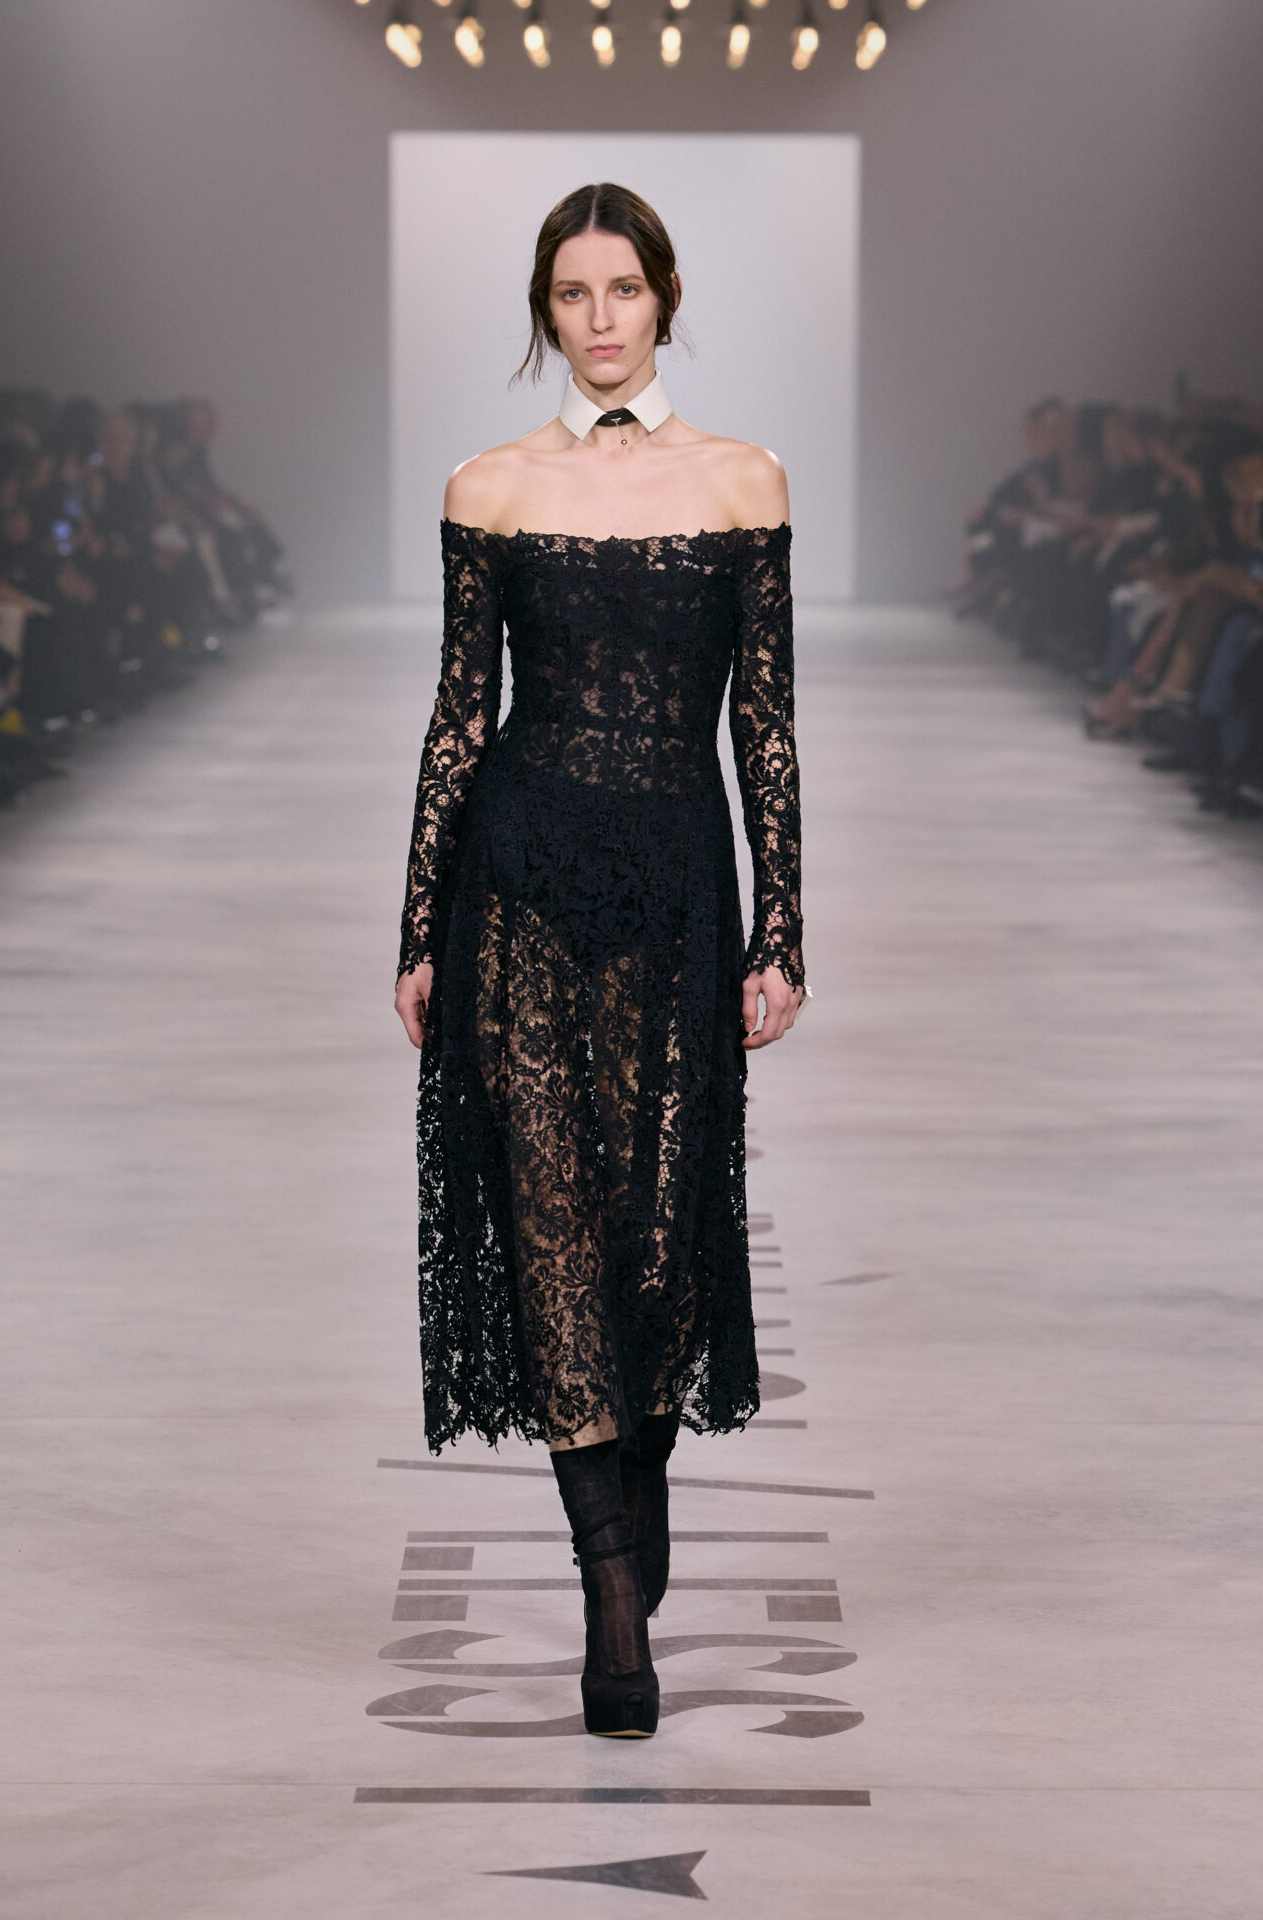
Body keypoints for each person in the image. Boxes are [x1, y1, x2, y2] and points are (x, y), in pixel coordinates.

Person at [392, 183, 809, 1740]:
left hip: (678, 889)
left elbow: (765, 725)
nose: (601, 319)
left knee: (656, 1235)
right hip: (520, 882)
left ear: (664, 297)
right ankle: (612, 1598)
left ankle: (639, 1472)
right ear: (544, 313)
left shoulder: (744, 479)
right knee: (553, 1224)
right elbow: (459, 720)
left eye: (622, 289)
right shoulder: (491, 486)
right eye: (572, 295)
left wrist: (783, 929)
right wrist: (419, 928)